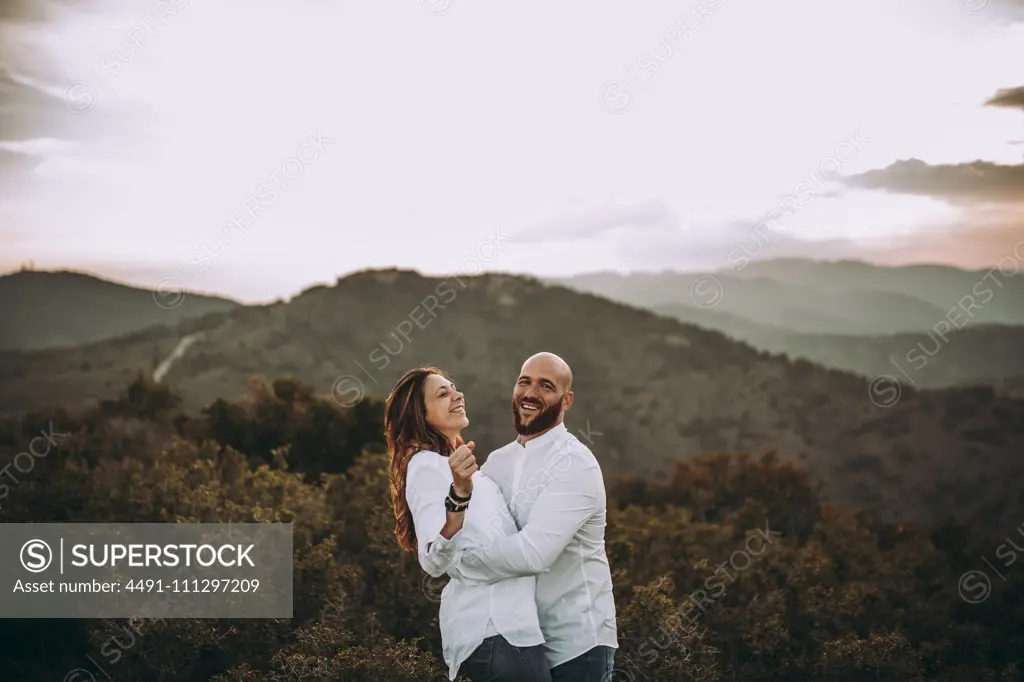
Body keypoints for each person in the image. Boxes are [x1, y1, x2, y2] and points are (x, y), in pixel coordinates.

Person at [446, 352, 618, 682]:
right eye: (524, 382)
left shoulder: (576, 464)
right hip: (519, 641)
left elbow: (533, 553)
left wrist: (462, 563)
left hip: (578, 643)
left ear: (566, 400)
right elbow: (476, 527)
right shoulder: (496, 462)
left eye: (545, 386)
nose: (530, 393)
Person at [385, 367, 551, 682]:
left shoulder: (469, 471)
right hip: (495, 631)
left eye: (454, 388)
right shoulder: (427, 466)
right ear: (421, 414)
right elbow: (433, 558)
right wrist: (458, 496)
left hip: (517, 631)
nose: (457, 395)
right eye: (442, 394)